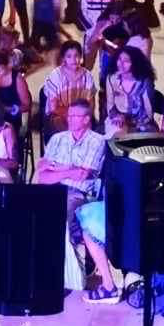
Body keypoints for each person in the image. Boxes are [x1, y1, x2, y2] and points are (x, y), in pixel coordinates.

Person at [38, 98, 116, 298]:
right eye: (69, 115)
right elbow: (42, 176)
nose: (70, 119)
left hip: (77, 193)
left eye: (75, 116)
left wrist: (57, 168)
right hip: (50, 190)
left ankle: (61, 276)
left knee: (57, 218)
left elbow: (83, 175)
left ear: (86, 119)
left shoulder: (97, 141)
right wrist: (69, 170)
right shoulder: (57, 139)